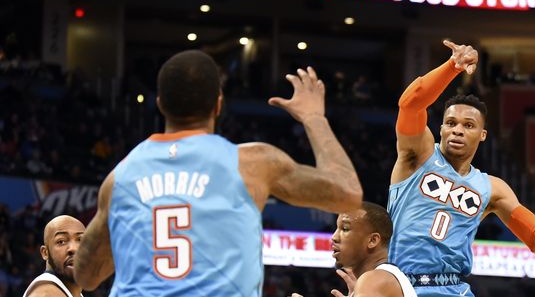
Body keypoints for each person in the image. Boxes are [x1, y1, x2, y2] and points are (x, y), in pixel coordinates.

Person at [74, 50, 363, 296]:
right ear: (218, 104)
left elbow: (86, 277)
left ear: (160, 104)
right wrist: (314, 118)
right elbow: (347, 193)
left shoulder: (120, 178)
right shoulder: (253, 163)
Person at [388, 40, 535, 297]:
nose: (457, 129)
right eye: (450, 123)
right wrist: (452, 67)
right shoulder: (418, 155)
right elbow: (410, 104)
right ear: (441, 129)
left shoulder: (492, 188)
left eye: (468, 125)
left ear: (482, 135)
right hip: (401, 285)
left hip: (453, 289)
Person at [293, 201, 416, 297]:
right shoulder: (384, 278)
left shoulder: (374, 279)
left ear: (372, 240)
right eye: (336, 228)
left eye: (345, 229)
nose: (334, 237)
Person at [24, 215, 85, 297]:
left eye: (80, 240)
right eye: (61, 241)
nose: (73, 248)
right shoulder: (45, 293)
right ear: (45, 253)